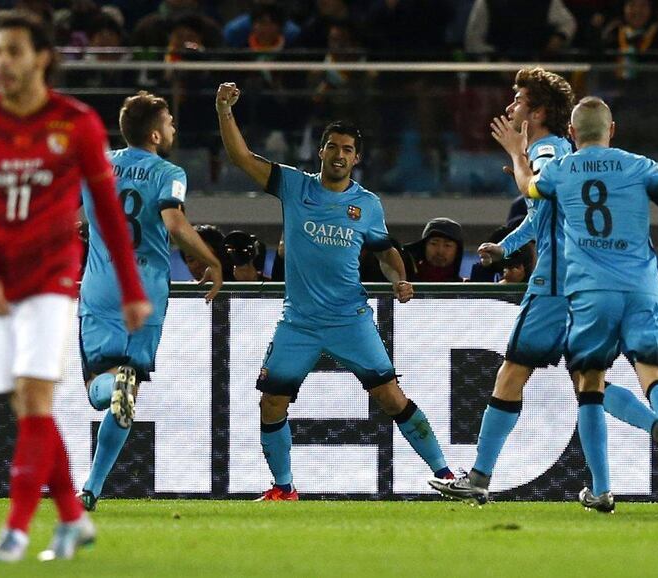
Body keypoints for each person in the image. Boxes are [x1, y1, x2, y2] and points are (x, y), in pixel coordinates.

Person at [0, 11, 151, 561]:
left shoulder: (76, 124)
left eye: (12, 51)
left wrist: (131, 288)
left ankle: (15, 529)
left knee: (34, 399)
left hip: (52, 280)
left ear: (41, 57)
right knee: (28, 406)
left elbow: (107, 211)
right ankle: (73, 518)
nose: (2, 63)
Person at [430, 68, 658, 509]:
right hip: (583, 285)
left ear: (537, 111)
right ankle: (653, 436)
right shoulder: (560, 150)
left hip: (555, 285)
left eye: (517, 100)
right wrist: (506, 248)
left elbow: (535, 192)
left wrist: (519, 160)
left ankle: (479, 478)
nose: (509, 107)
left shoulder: (545, 149)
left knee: (512, 372)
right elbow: (540, 217)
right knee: (588, 384)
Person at [216, 82, 456, 500]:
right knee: (272, 404)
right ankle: (284, 488)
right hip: (300, 322)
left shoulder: (368, 205)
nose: (340, 154)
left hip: (350, 318)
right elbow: (241, 157)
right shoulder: (294, 186)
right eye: (333, 146)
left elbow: (385, 253)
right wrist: (223, 109)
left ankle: (447, 475)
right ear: (321, 152)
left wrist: (398, 278)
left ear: (356, 158)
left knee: (391, 397)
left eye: (347, 149)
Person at [492, 95, 658, 512]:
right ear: (612, 129)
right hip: (643, 286)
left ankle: (602, 490)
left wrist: (518, 156)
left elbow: (527, 188)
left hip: (591, 293)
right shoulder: (640, 164)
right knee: (653, 373)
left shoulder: (561, 168)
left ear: (571, 133)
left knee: (590, 385)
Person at [77, 91, 223, 512]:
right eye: (171, 122)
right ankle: (92, 484)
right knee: (131, 386)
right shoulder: (170, 172)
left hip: (103, 287)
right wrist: (211, 260)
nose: (175, 128)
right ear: (156, 134)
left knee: (99, 388)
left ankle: (92, 488)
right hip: (149, 292)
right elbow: (174, 223)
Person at [404, 218, 465, 282]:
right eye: (434, 243)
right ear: (424, 246)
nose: (440, 251)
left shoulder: (466, 288)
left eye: (447, 245)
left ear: (457, 251)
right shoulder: (405, 284)